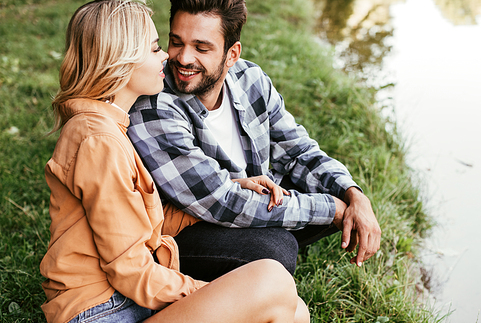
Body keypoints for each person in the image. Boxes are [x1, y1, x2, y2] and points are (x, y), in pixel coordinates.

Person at [40, 1, 310, 323]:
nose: (167, 56)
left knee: (295, 312)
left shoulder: (110, 130)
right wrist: (203, 291)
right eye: (155, 47)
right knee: (271, 282)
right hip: (100, 317)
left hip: (123, 304)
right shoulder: (99, 141)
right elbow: (129, 270)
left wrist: (231, 187)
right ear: (121, 60)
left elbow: (140, 223)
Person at [128, 0, 382, 282]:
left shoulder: (250, 78)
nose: (184, 58)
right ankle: (252, 265)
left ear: (231, 54)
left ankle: (258, 252)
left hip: (247, 194)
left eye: (201, 48)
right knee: (277, 250)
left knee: (338, 193)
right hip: (188, 227)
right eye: (176, 42)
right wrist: (331, 209)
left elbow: (298, 151)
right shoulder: (154, 106)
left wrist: (354, 196)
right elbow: (222, 201)